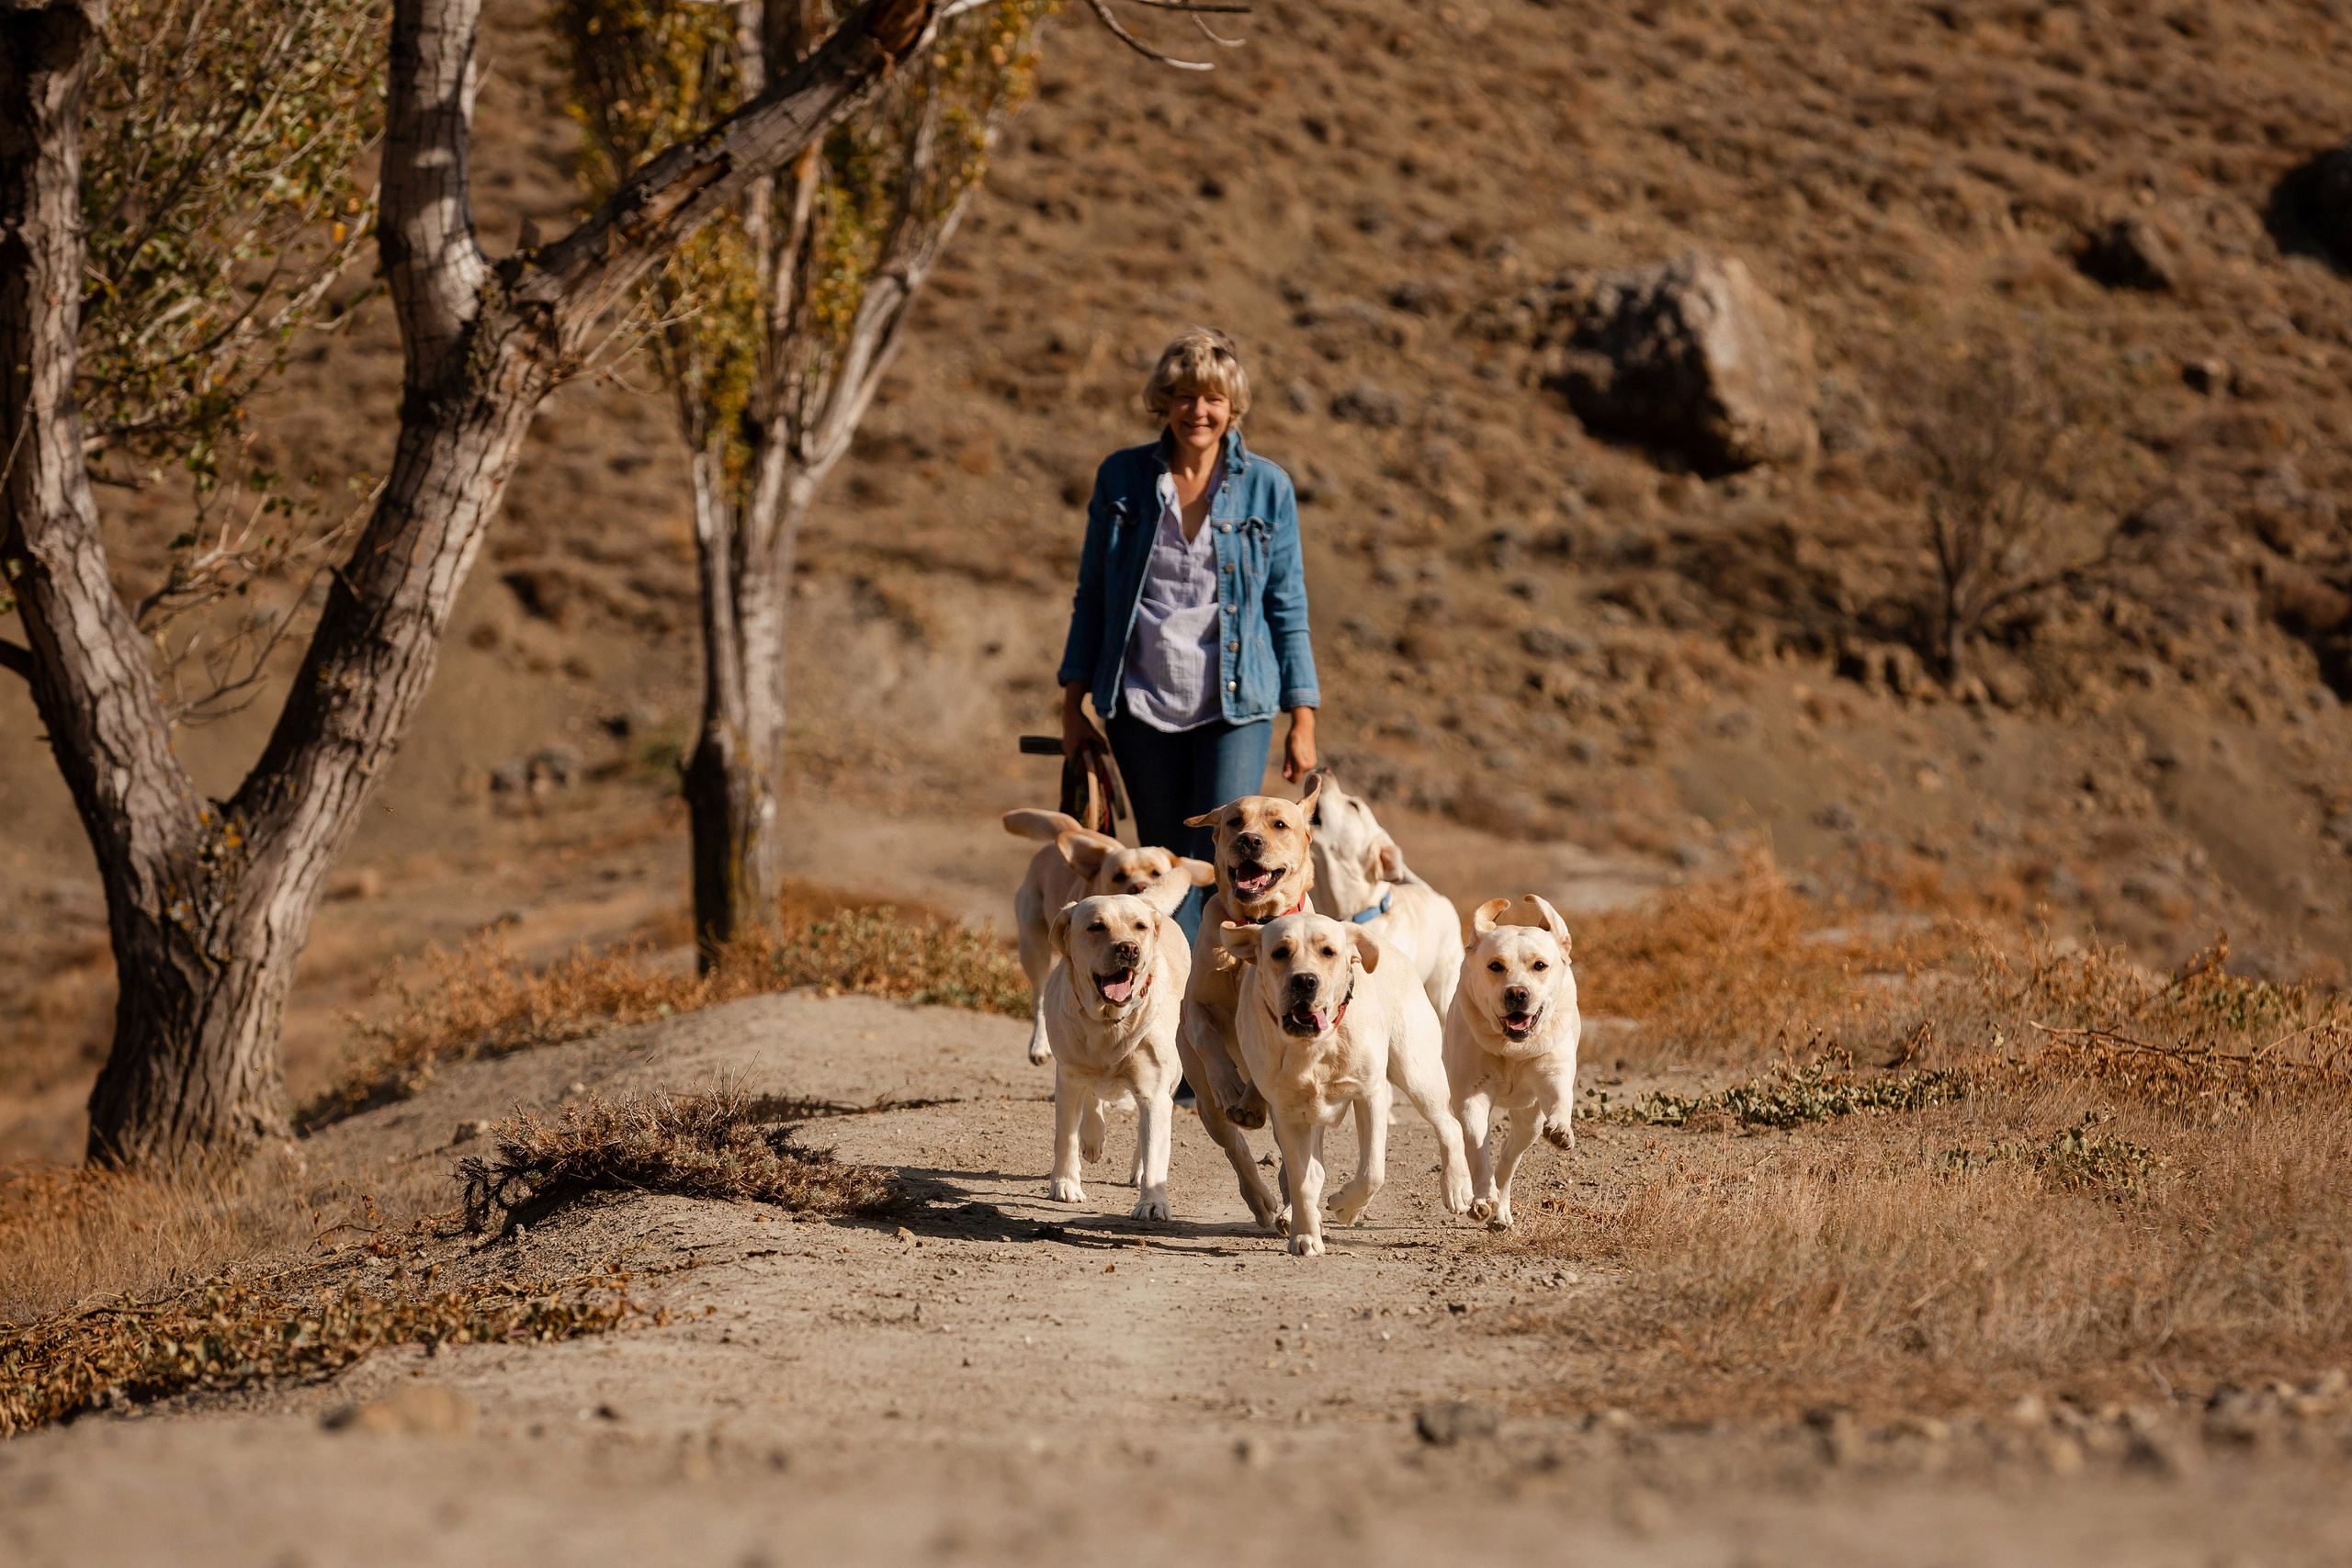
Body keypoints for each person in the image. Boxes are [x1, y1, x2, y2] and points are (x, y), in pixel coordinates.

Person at [1056, 327, 1320, 947]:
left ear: (1233, 407)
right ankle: (1176, 1012)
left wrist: (1302, 718)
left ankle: (1228, 1006)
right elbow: (1091, 594)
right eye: (1182, 396)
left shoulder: (1267, 487)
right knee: (1167, 866)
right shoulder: (1121, 479)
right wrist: (1072, 705)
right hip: (1140, 700)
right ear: (1164, 400)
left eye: (1212, 399)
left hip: (1236, 706)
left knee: (1235, 862)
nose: (1197, 411)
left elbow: (1288, 605)